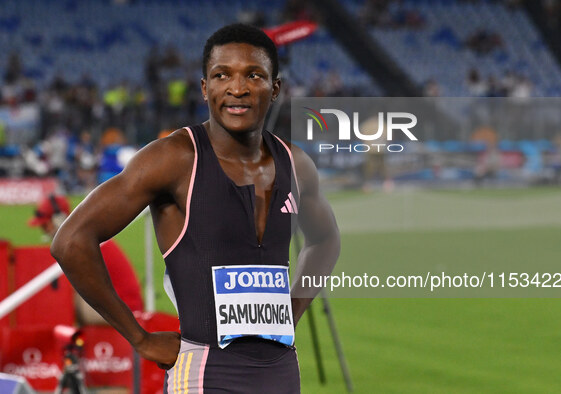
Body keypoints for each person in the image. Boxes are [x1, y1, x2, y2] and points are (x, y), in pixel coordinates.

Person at [51, 23, 340, 393]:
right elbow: (71, 240)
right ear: (205, 89)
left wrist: (293, 309)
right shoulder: (174, 158)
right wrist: (138, 338)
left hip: (282, 371)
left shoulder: (295, 164)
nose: (237, 88)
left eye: (254, 75)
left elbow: (326, 240)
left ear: (276, 88)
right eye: (222, 75)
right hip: (206, 372)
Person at [29, 194, 143, 325]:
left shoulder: (77, 242)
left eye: (45, 225)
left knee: (64, 299)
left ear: (58, 220)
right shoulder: (82, 235)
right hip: (122, 304)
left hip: (127, 308)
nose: (43, 230)